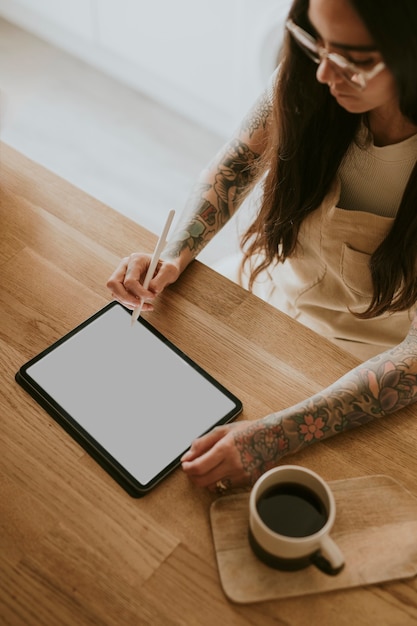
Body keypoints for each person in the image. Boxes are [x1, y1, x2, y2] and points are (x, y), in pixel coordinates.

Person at [107, 0, 417, 494]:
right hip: (266, 291)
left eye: (354, 60)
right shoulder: (310, 76)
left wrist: (277, 435)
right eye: (318, 41)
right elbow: (235, 164)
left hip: (363, 359)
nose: (324, 72)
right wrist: (173, 254)